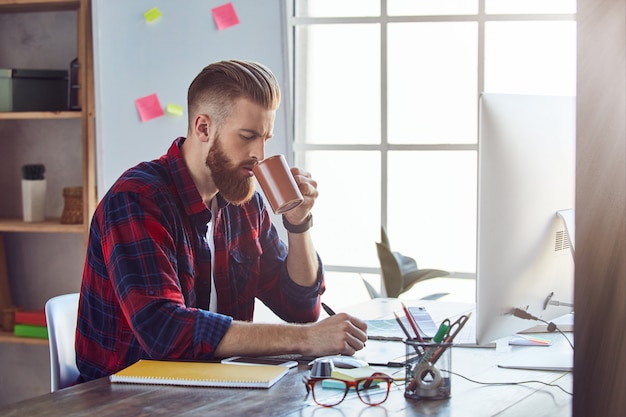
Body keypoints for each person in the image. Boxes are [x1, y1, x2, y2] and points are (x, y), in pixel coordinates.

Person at [75, 59, 367, 383]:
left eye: (265, 138)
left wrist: (299, 224)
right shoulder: (136, 199)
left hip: (213, 391)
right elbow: (164, 332)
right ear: (203, 128)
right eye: (247, 136)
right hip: (126, 402)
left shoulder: (243, 202)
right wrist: (306, 339)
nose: (259, 153)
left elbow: (301, 309)